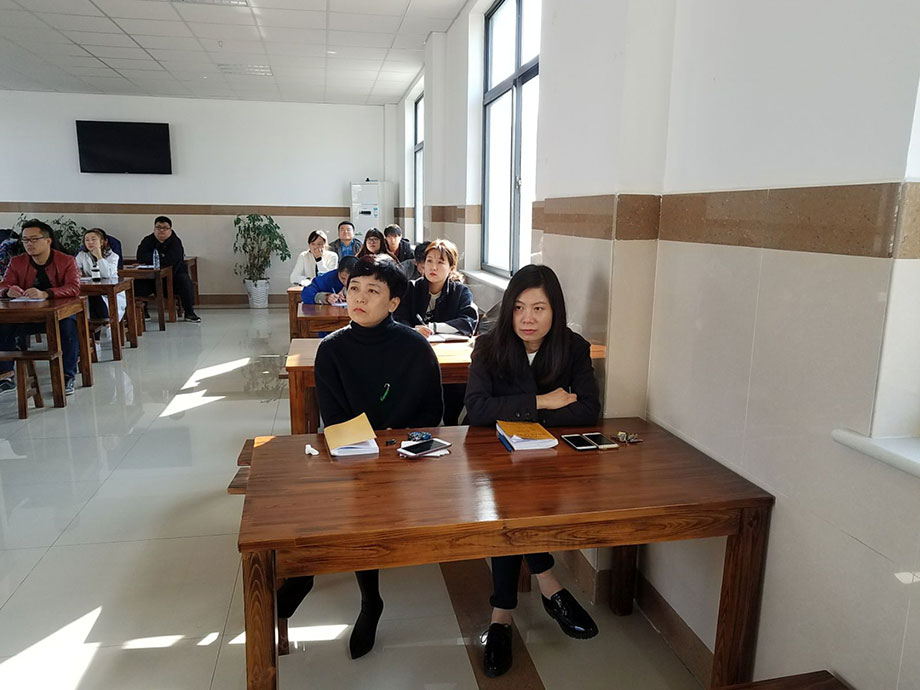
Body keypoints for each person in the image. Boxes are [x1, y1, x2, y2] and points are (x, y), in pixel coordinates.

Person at [278, 254, 443, 660]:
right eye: (354, 288)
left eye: (373, 291)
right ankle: (305, 572)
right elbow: (334, 420)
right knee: (327, 497)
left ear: (393, 303)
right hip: (351, 453)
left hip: (403, 460)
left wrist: (393, 448)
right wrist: (365, 449)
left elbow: (432, 414)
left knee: (366, 505)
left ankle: (370, 601)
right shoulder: (331, 349)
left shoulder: (415, 347)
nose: (359, 298)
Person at [464, 264, 601, 678]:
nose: (527, 318)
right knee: (511, 505)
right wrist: (542, 402)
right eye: (519, 307)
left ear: (555, 309)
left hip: (548, 461)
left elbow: (587, 410)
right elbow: (477, 409)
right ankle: (547, 584)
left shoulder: (573, 348)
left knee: (516, 507)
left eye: (539, 308)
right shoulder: (489, 346)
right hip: (493, 459)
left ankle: (501, 617)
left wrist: (516, 415)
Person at [395, 238, 478, 424]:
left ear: (451, 267)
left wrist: (433, 327)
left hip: (449, 356)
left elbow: (468, 323)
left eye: (440, 262)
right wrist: (413, 330)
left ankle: (450, 423)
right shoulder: (411, 288)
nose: (433, 267)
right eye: (429, 261)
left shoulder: (460, 292)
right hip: (415, 354)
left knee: (454, 391)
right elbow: (397, 320)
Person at [0, 220, 81, 395]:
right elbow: (4, 285)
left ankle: (67, 375)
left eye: (34, 239)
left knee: (68, 326)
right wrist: (7, 291)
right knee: (3, 325)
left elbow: (74, 287)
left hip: (59, 314)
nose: (29, 244)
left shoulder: (66, 260)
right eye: (25, 240)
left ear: (48, 240)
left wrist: (46, 293)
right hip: (27, 315)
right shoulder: (17, 262)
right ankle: (6, 375)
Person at [135, 216, 200, 323]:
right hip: (151, 277)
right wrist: (161, 256)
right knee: (137, 281)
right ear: (154, 228)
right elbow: (141, 257)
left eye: (165, 228)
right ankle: (143, 310)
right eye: (158, 227)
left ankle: (189, 312)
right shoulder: (148, 240)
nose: (161, 230)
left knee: (184, 281)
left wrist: (156, 258)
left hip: (174, 276)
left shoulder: (175, 242)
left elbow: (172, 260)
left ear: (170, 229)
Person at [75, 228, 126, 322]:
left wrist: (99, 257)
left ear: (102, 242)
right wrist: (78, 272)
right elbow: (76, 270)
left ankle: (106, 324)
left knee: (100, 303)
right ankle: (92, 327)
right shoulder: (82, 255)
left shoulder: (113, 256)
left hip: (109, 292)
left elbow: (106, 274)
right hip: (90, 291)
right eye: (87, 240)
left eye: (93, 239)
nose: (90, 242)